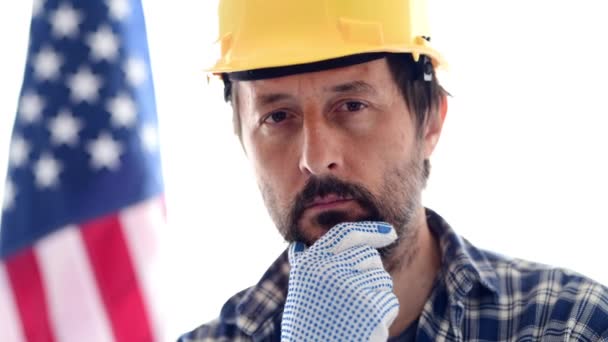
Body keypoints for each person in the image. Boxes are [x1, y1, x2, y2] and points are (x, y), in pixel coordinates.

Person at [179, 0, 608, 340]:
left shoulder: (568, 324)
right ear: (242, 139)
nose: (314, 157)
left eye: (352, 106)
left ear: (431, 122)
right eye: (277, 116)